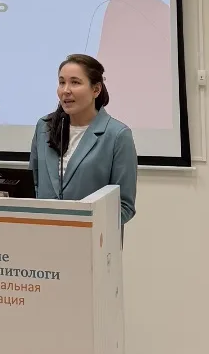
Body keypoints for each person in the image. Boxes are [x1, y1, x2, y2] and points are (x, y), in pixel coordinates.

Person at [29, 54, 138, 226]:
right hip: (43, 234)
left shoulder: (117, 135)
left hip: (92, 238)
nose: (66, 90)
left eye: (75, 82)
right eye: (62, 82)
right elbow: (32, 187)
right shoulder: (44, 127)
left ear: (96, 90)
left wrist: (87, 227)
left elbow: (124, 206)